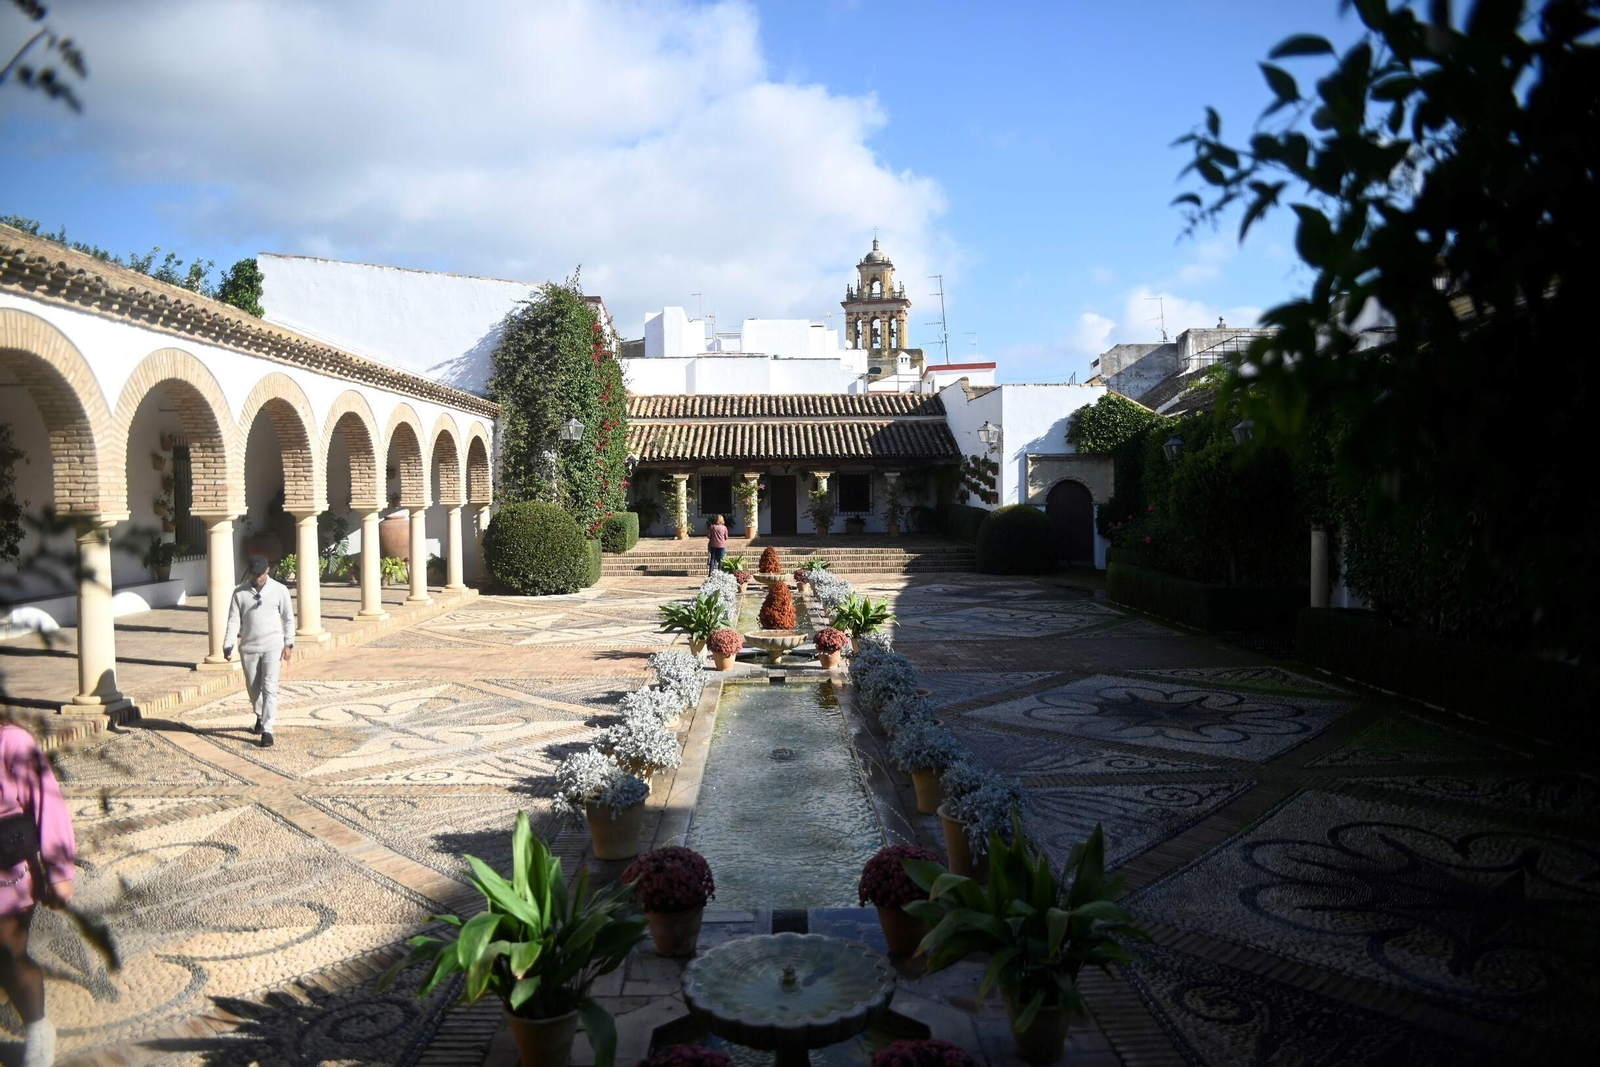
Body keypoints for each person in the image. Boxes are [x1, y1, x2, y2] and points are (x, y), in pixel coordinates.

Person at [0, 721, 77, 1067]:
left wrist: (59, 871)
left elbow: (47, 802)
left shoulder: (11, 740)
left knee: (7, 953)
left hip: (9, 873)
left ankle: (37, 1027)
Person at [223, 555, 295, 748]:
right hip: (249, 648)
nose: (257, 578)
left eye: (261, 574)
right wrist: (228, 643)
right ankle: (260, 716)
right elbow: (233, 620)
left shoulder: (280, 590)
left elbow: (288, 619)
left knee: (270, 687)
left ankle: (268, 729)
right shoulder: (239, 593)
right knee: (254, 688)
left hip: (272, 646)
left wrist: (289, 644)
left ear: (267, 571)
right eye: (254, 574)